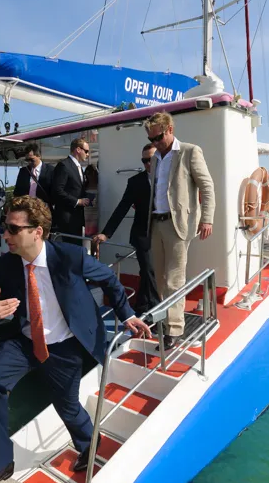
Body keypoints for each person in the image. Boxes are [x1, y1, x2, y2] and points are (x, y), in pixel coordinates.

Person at [0, 196, 151, 483]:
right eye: (4, 227)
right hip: (23, 342)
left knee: (67, 406)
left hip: (65, 346)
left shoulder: (71, 257)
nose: (4, 235)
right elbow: (0, 308)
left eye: (12, 228)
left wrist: (127, 314)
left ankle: (90, 444)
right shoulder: (4, 264)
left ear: (37, 232)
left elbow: (110, 281)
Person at [145, 112, 215, 350]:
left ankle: (174, 330)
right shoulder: (156, 158)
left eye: (159, 137)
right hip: (156, 223)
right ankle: (165, 322)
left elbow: (207, 187)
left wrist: (207, 219)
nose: (156, 143)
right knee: (161, 281)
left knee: (175, 279)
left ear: (170, 129)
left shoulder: (189, 151)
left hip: (178, 225)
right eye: (152, 139)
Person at [93, 144, 160, 314]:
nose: (148, 164)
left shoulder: (169, 179)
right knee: (148, 270)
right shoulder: (135, 182)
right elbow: (122, 207)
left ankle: (141, 306)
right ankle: (156, 310)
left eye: (151, 160)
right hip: (142, 235)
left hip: (164, 234)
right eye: (144, 161)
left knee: (150, 272)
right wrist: (106, 233)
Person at [51, 137, 92, 243]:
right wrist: (78, 201)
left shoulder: (78, 167)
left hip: (76, 218)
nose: (88, 154)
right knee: (69, 250)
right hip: (67, 218)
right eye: (86, 151)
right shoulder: (64, 165)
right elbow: (57, 191)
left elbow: (75, 188)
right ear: (78, 150)